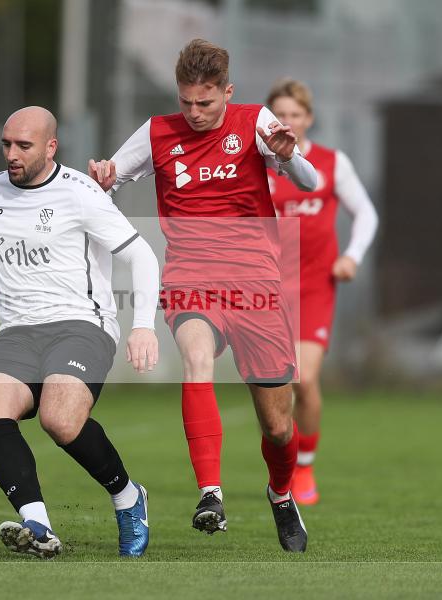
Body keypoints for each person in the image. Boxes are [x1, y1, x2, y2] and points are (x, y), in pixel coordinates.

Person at [89, 39, 318, 552]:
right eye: (186, 101)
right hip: (191, 276)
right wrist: (102, 178)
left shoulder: (255, 121)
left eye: (206, 103)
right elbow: (103, 182)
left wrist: (290, 157)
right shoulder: (155, 132)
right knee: (196, 360)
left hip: (257, 282)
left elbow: (309, 180)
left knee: (279, 427)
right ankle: (210, 493)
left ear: (227, 93)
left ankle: (281, 495)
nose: (194, 112)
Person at [0, 106, 161, 559]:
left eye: (23, 146)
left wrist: (143, 326)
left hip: (81, 325)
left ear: (51, 147)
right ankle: (39, 525)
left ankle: (129, 498)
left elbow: (142, 256)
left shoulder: (82, 194)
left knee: (60, 420)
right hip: (17, 329)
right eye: (6, 144)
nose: (12, 154)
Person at [265, 78, 378, 505]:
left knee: (304, 377)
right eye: (280, 115)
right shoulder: (260, 164)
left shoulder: (332, 163)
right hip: (268, 289)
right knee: (273, 386)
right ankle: (282, 470)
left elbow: (366, 213)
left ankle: (304, 466)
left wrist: (352, 256)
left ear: (308, 119)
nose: (288, 122)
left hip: (314, 286)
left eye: (295, 114)